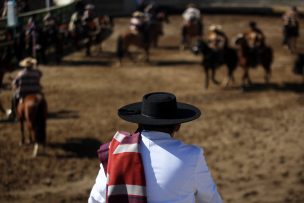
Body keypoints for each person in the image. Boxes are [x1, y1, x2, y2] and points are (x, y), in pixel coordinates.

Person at [88, 92, 223, 203]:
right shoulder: (193, 156)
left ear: (140, 122)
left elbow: (95, 200)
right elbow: (211, 199)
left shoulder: (115, 152)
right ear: (178, 126)